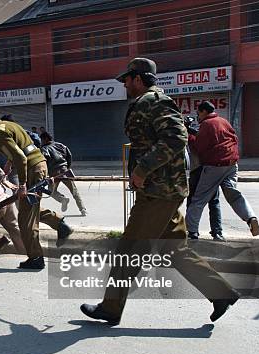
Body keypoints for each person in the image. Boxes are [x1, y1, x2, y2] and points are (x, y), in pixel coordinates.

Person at [80, 58, 240, 326]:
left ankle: (110, 307)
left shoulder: (154, 101)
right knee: (175, 250)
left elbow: (175, 138)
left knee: (128, 249)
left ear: (139, 78)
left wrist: (142, 169)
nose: (124, 85)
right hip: (162, 190)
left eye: (127, 80)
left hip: (158, 192)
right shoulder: (148, 102)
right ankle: (220, 293)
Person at [0, 106, 72, 270]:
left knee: (25, 219)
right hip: (40, 164)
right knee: (30, 208)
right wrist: (8, 163)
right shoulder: (10, 125)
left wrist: (22, 184)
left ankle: (36, 258)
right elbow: (23, 148)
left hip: (31, 169)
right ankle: (59, 224)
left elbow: (21, 157)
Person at [186, 101, 259, 238]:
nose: (198, 116)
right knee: (233, 195)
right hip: (232, 164)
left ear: (203, 112)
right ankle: (250, 218)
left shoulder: (207, 124)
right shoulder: (223, 121)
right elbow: (231, 138)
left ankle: (192, 232)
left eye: (198, 113)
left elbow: (198, 146)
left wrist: (189, 135)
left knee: (198, 199)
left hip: (214, 166)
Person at [184, 116, 224, 241]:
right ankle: (217, 232)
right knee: (213, 202)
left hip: (198, 171)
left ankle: (193, 232)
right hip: (208, 170)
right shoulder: (196, 136)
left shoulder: (189, 136)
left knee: (194, 201)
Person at [40, 132, 87, 216]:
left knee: (51, 192)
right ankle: (83, 209)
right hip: (65, 170)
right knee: (74, 191)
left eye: (42, 140)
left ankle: (62, 199)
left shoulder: (44, 149)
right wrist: (67, 167)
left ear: (45, 139)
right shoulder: (61, 145)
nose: (41, 142)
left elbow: (44, 162)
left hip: (54, 172)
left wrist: (45, 174)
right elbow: (69, 156)